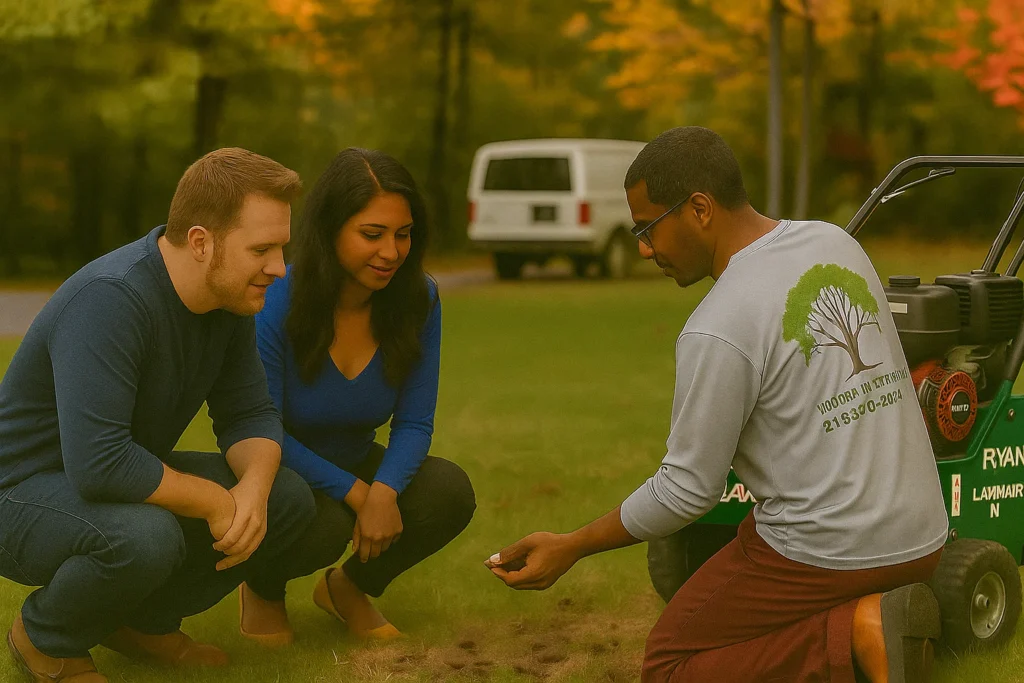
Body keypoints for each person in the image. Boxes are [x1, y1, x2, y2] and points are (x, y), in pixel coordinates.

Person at [486, 126, 949, 683]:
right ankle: (879, 624)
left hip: (830, 551)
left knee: (671, 665)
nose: (643, 248)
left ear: (700, 208)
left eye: (648, 227)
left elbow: (687, 491)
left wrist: (572, 545)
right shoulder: (833, 243)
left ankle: (860, 630)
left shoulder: (718, 324)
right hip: (923, 538)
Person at [0, 148, 317, 683]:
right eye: (261, 249)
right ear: (201, 241)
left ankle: (140, 624)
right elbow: (99, 462)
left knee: (286, 500)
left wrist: (252, 494)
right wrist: (218, 501)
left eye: (282, 248)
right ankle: (47, 636)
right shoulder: (112, 298)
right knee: (145, 536)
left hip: (102, 480)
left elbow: (249, 414)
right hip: (18, 492)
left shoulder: (229, 298)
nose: (279, 269)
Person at [238, 148, 475, 645]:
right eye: (372, 235)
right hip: (277, 471)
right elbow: (263, 425)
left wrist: (384, 491)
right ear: (329, 231)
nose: (391, 252)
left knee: (448, 491)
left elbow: (413, 422)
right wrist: (359, 495)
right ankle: (262, 587)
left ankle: (348, 588)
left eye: (403, 234)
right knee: (322, 521)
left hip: (355, 460)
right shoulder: (276, 298)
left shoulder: (419, 300)